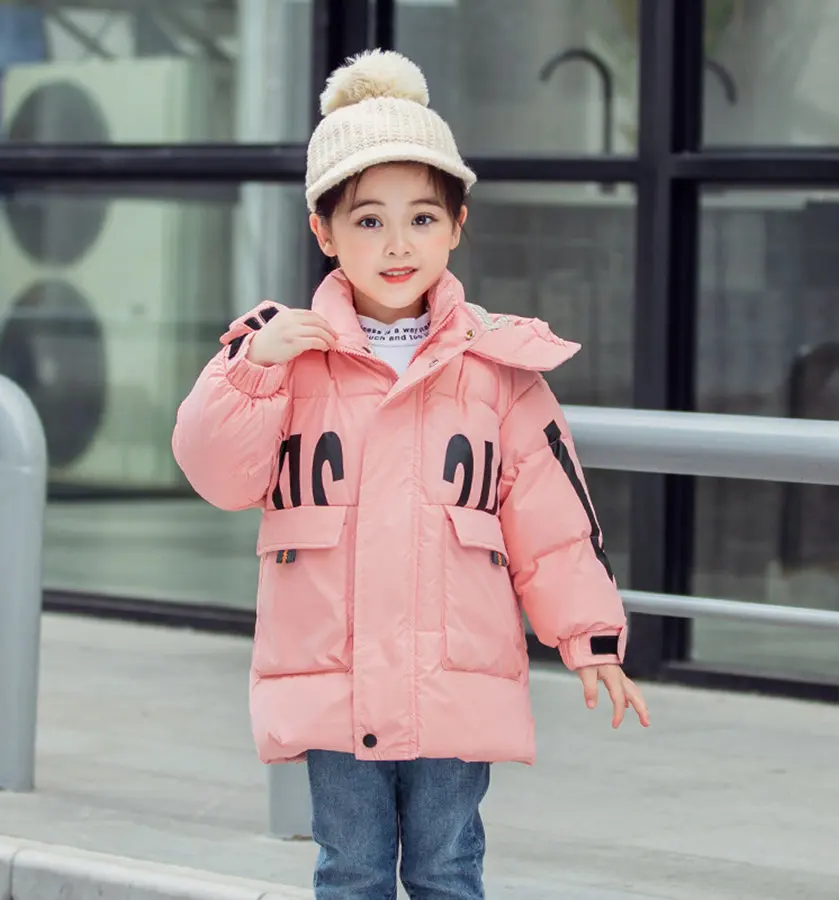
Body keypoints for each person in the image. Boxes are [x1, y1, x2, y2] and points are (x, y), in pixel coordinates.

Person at [173, 48, 649, 900]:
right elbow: (219, 475)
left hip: (455, 676)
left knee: (447, 867)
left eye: (422, 217)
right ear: (324, 233)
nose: (398, 245)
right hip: (335, 675)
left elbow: (552, 523)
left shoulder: (497, 368)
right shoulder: (285, 356)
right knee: (350, 869)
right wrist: (253, 370)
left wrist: (590, 639)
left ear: (457, 224)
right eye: (368, 221)